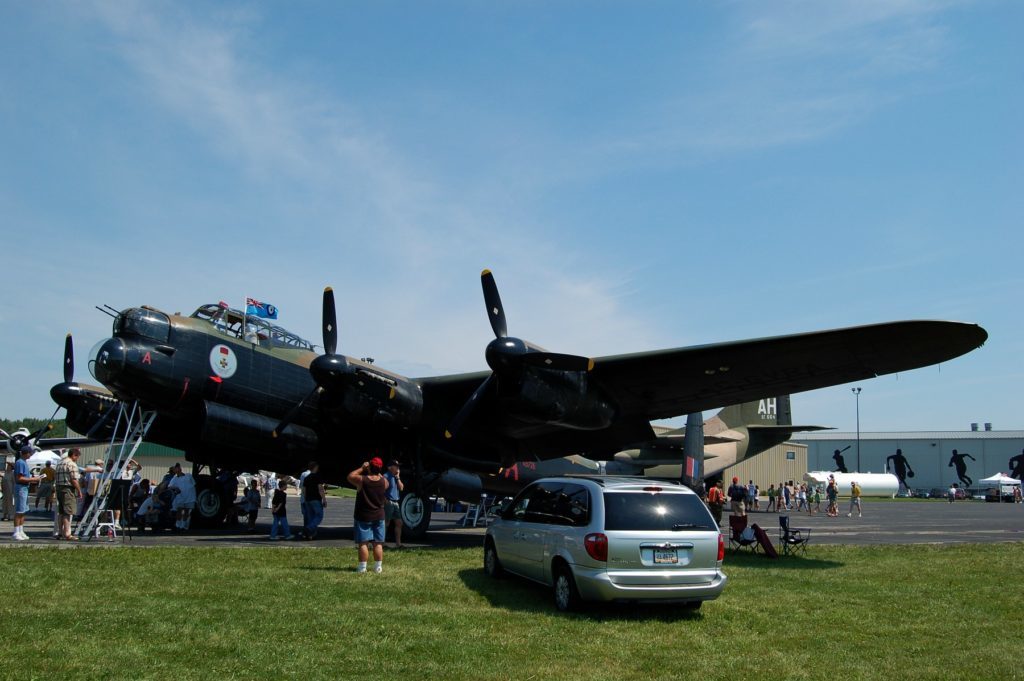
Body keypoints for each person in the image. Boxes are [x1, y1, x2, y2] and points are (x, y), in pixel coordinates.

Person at [347, 457, 389, 573]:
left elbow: (350, 476)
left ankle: (362, 567)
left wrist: (362, 468)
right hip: (379, 516)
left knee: (363, 543)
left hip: (364, 515)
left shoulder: (362, 480)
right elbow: (385, 481)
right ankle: (378, 567)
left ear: (370, 467)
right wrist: (376, 470)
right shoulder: (384, 482)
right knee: (378, 543)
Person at [12, 445, 41, 540]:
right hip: (21, 488)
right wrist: (33, 479)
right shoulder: (20, 463)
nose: (31, 454)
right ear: (26, 453)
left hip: (24, 488)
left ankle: (21, 530)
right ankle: (16, 532)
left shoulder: (23, 462)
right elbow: (19, 478)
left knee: (23, 511)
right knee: (19, 511)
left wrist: (33, 480)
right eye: (30, 453)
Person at [54, 448, 83, 541]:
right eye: (77, 457)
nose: (77, 459)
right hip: (68, 489)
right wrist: (79, 490)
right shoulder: (72, 464)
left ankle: (60, 532)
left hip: (59, 488)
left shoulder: (59, 463)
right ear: (74, 455)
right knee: (68, 512)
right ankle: (67, 533)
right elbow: (74, 479)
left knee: (61, 511)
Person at [167, 463, 197, 531]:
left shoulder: (188, 475)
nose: (175, 469)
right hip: (180, 497)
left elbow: (194, 485)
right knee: (179, 512)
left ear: (180, 468)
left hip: (190, 498)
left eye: (177, 467)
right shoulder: (174, 479)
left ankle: (184, 527)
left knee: (187, 513)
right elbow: (169, 487)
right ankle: (178, 526)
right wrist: (175, 487)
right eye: (175, 468)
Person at [383, 460, 404, 548]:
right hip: (389, 502)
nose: (398, 467)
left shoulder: (395, 477)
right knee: (386, 522)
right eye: (396, 466)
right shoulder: (386, 476)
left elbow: (401, 488)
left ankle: (398, 544)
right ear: (389, 467)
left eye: (398, 466)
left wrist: (398, 477)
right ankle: (382, 543)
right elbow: (381, 489)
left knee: (399, 523)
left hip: (396, 502)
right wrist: (385, 500)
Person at [302, 462, 326, 539]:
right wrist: (324, 499)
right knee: (319, 515)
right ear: (315, 467)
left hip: (308, 499)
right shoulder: (318, 477)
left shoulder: (306, 478)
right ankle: (309, 527)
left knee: (310, 517)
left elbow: (304, 490)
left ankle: (310, 535)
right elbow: (320, 489)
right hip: (316, 499)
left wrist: (305, 499)